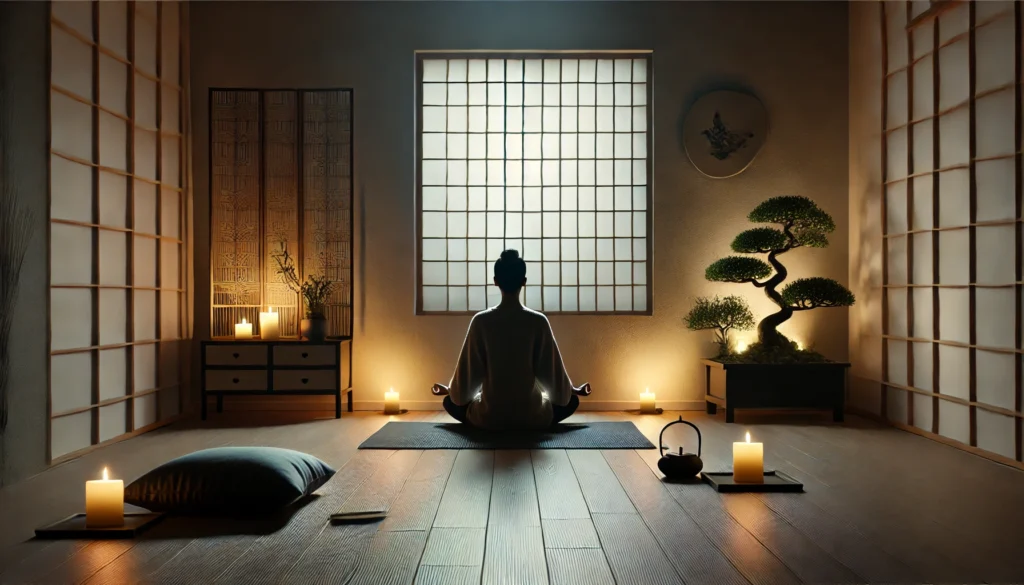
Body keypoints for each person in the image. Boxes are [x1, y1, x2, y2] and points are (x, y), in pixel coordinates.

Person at [431, 249, 591, 430]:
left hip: (489, 419)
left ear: (495, 281)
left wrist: (450, 390)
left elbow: (462, 393)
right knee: (572, 402)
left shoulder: (481, 321)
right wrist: (572, 390)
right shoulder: (538, 321)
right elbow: (558, 389)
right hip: (532, 418)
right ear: (524, 282)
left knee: (449, 402)